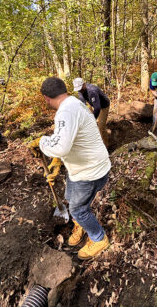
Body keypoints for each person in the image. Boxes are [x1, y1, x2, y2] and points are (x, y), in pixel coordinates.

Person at [29, 77, 111, 260]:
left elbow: (61, 146)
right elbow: (66, 138)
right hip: (82, 167)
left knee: (78, 209)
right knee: (69, 197)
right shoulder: (74, 103)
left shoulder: (66, 112)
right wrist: (57, 162)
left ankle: (99, 239)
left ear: (46, 97)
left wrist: (42, 141)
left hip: (90, 171)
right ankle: (80, 224)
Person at [73, 77, 110, 147]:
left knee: (101, 127)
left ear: (84, 84)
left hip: (103, 105)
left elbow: (97, 108)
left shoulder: (92, 91)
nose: (79, 90)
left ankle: (105, 146)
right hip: (93, 104)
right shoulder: (80, 90)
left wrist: (92, 119)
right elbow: (82, 103)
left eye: (80, 88)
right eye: (78, 89)